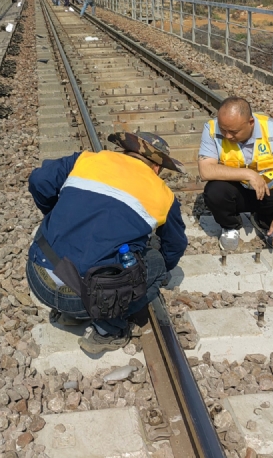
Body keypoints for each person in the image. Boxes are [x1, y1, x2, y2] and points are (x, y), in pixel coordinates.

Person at [26, 131, 188, 354]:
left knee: (57, 230)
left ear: (124, 150)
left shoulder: (87, 159)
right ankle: (107, 330)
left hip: (38, 280)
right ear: (157, 168)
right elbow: (175, 247)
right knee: (157, 264)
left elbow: (39, 180)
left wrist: (52, 212)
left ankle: (68, 313)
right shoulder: (163, 194)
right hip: (86, 301)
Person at [198, 96, 273, 251]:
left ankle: (264, 221)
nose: (227, 136)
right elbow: (205, 171)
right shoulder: (212, 129)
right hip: (236, 191)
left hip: (268, 191)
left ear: (251, 123)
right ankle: (230, 226)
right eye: (223, 130)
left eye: (234, 131)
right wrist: (249, 174)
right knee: (215, 192)